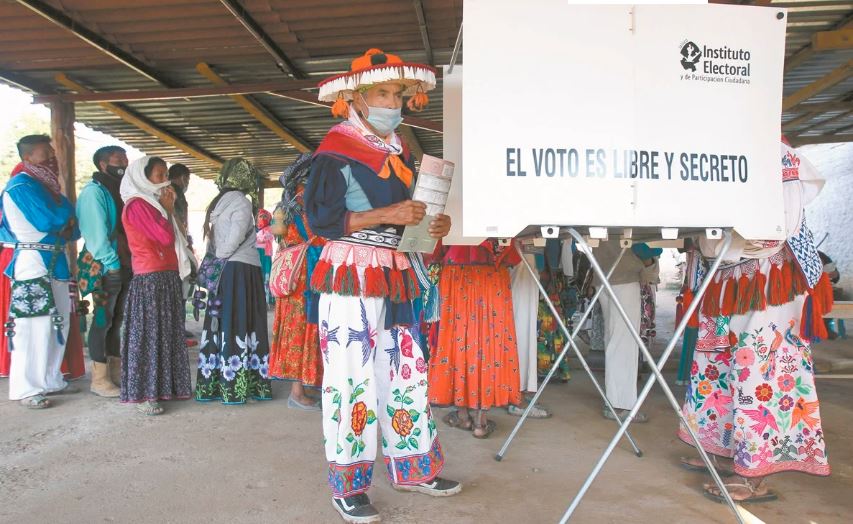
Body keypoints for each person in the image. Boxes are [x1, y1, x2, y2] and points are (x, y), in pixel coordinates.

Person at [306, 48, 460, 523]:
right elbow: (320, 221)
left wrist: (432, 227)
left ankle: (411, 467)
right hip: (351, 274)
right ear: (355, 98)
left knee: (405, 374)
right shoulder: (334, 153)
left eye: (397, 94)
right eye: (382, 94)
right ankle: (349, 485)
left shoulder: (400, 152)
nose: (392, 102)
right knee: (351, 378)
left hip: (397, 276)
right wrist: (386, 215)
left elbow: (409, 221)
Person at [678, 141, 832, 503]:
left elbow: (781, 225)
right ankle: (719, 446)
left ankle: (755, 472)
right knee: (714, 366)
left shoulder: (778, 154)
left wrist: (718, 243)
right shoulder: (714, 147)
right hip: (723, 278)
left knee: (758, 370)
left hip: (765, 282)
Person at [0, 135, 80, 409]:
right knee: (33, 325)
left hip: (56, 260)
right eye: (45, 153)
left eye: (52, 152)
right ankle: (26, 388)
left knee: (58, 322)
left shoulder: (50, 188)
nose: (52, 158)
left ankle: (50, 378)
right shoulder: (21, 186)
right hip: (32, 262)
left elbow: (74, 225)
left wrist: (65, 222)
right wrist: (63, 221)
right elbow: (51, 220)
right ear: (28, 158)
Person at [119, 156, 193, 415]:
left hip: (166, 275)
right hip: (150, 278)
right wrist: (168, 208)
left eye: (166, 174)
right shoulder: (138, 205)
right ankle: (146, 394)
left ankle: (164, 388)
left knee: (167, 334)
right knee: (150, 336)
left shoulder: (156, 204)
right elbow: (163, 237)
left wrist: (167, 208)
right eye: (159, 175)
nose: (166, 180)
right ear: (143, 177)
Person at [195, 158, 272, 405]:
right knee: (242, 323)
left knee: (224, 322)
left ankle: (215, 384)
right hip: (241, 270)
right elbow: (235, 238)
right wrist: (225, 255)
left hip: (226, 271)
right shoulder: (240, 201)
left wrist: (219, 259)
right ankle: (239, 387)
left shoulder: (219, 201)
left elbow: (217, 241)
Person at [429, 241, 526, 438]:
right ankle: (480, 421)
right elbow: (511, 251)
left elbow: (433, 249)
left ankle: (464, 416)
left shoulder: (452, 208)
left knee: (457, 341)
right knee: (490, 342)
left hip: (456, 273)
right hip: (493, 274)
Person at [269, 153, 324, 410]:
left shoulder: (286, 203)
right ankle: (298, 392)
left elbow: (279, 235)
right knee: (306, 329)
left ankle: (303, 386)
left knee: (293, 331)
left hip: (290, 275)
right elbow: (322, 236)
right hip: (305, 277)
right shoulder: (309, 202)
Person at [77, 145, 130, 397]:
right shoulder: (94, 192)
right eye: (118, 159)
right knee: (102, 320)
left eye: (125, 158)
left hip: (124, 263)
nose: (124, 163)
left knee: (117, 319)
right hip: (105, 267)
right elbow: (96, 236)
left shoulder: (122, 191)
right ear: (102, 164)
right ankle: (99, 379)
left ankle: (115, 372)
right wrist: (113, 266)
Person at [592, 240, 650, 422]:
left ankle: (615, 401)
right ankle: (620, 405)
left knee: (614, 340)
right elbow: (644, 245)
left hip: (602, 274)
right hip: (624, 274)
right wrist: (649, 262)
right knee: (624, 343)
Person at [167, 163, 197, 347]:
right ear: (182, 177)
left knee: (182, 288)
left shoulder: (173, 192)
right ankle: (176, 328)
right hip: (177, 246)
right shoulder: (174, 192)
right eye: (187, 179)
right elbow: (178, 221)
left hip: (179, 243)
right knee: (181, 288)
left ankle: (178, 326)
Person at [256, 208, 275, 306]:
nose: (262, 218)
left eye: (265, 216)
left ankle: (266, 301)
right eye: (260, 216)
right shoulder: (257, 230)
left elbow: (264, 239)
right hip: (257, 255)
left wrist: (254, 238)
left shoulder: (270, 229)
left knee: (265, 277)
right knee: (259, 276)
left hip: (265, 255)